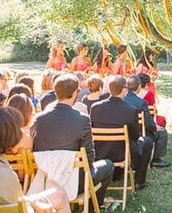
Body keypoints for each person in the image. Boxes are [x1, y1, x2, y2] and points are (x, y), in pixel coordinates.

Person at [0, 107, 70, 213]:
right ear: (9, 137)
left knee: (59, 194)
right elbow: (20, 209)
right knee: (57, 199)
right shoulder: (3, 174)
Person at [31, 74, 114, 211]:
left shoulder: (38, 119)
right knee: (108, 165)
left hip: (45, 179)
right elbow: (89, 158)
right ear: (75, 92)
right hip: (75, 180)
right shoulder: (82, 120)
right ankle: (93, 208)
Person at [90, 75, 153, 190]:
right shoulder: (130, 110)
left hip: (100, 152)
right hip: (122, 152)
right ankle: (140, 181)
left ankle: (115, 174)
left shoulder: (95, 108)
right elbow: (135, 136)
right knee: (146, 142)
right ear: (124, 90)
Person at [124, 75, 170, 168]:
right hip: (139, 132)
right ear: (139, 87)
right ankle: (156, 159)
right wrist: (155, 127)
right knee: (162, 132)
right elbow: (149, 123)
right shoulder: (141, 103)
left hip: (124, 132)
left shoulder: (122, 99)